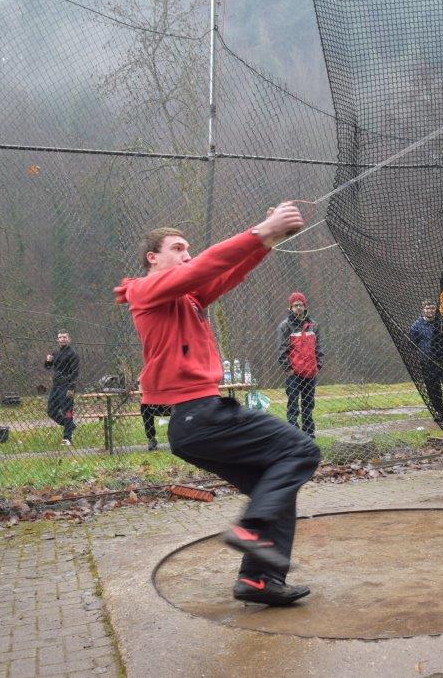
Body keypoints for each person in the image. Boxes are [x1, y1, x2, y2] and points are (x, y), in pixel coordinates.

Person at [114, 203, 320, 606]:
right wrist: (260, 230)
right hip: (199, 415)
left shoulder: (186, 297)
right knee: (301, 450)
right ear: (152, 258)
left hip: (196, 421)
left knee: (275, 487)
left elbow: (222, 275)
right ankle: (249, 528)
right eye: (178, 247)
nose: (187, 254)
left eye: (189, 248)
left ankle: (259, 582)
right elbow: (201, 269)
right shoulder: (144, 290)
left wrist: (269, 241)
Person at [276, 291, 323, 438]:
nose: (298, 308)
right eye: (295, 305)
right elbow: (281, 350)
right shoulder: (285, 326)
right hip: (294, 374)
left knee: (308, 405)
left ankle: (309, 434)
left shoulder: (313, 325)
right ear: (290, 308)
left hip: (310, 373)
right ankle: (293, 435)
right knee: (293, 405)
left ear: (305, 306)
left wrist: (318, 366)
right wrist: (288, 369)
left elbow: (319, 348)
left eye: (300, 305)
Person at [45, 330, 80, 447]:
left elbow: (75, 373)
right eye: (60, 337)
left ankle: (67, 438)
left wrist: (70, 387)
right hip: (56, 386)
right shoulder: (56, 353)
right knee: (51, 411)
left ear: (69, 339)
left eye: (64, 337)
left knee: (67, 411)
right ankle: (70, 425)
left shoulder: (73, 354)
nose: (62, 339)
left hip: (68, 386)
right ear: (57, 340)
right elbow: (48, 367)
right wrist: (48, 360)